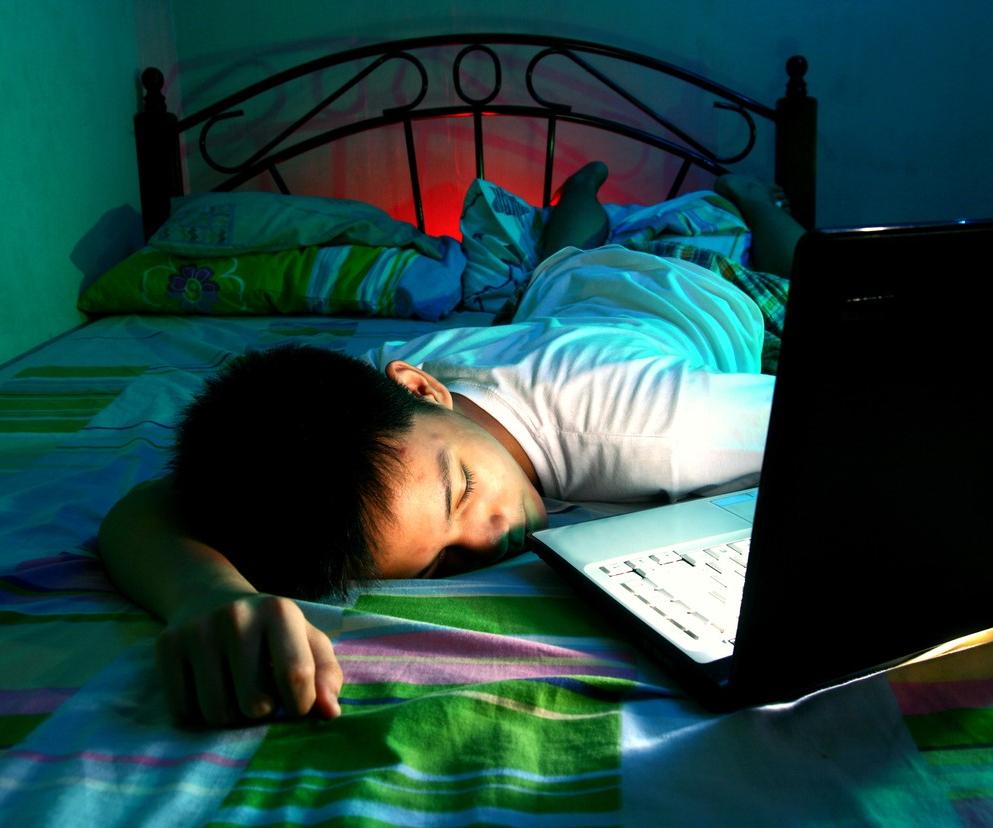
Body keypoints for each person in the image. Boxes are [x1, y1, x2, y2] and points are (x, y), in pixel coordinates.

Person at [97, 164, 805, 727]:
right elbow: (150, 506)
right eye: (441, 561)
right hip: (553, 300)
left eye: (461, 489)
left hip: (698, 289)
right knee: (561, 253)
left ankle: (751, 199)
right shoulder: (359, 404)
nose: (491, 539)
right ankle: (578, 191)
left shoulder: (663, 428)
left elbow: (846, 423)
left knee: (793, 274)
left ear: (420, 388)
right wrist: (206, 597)